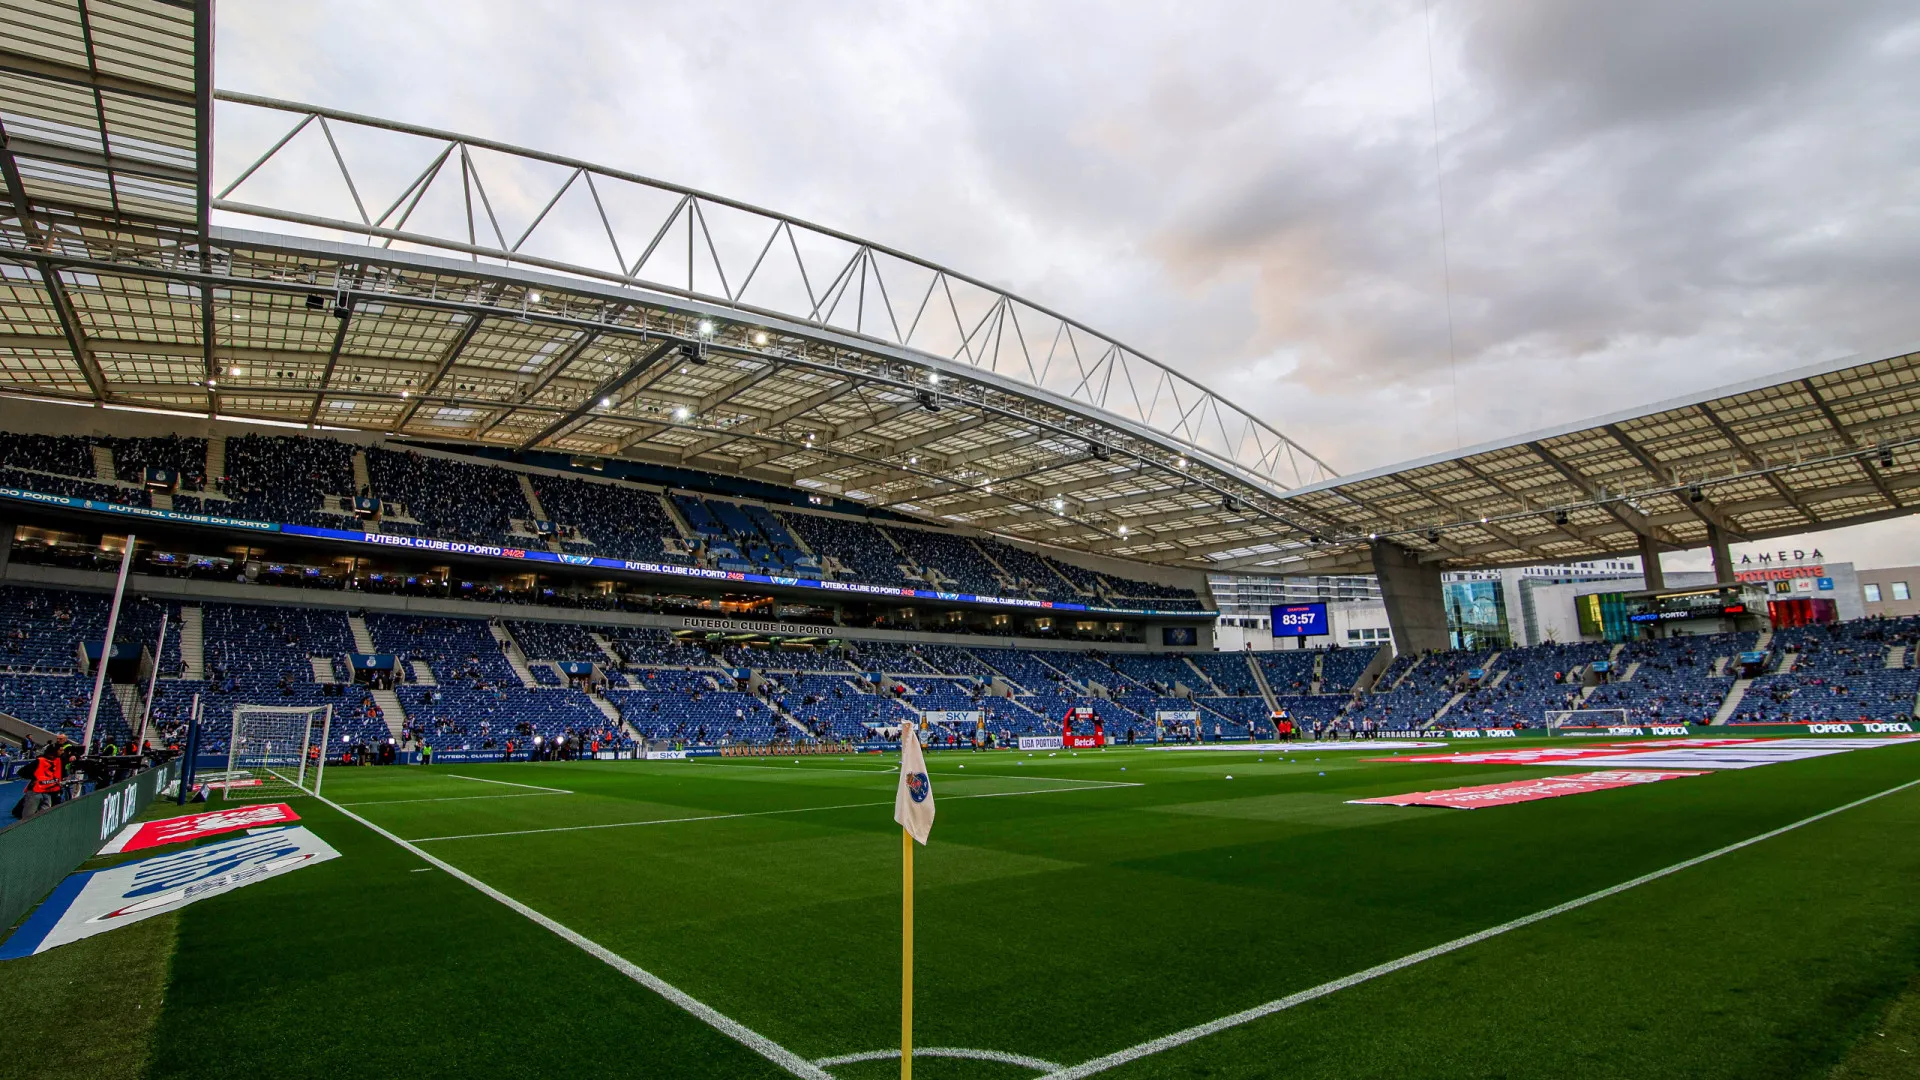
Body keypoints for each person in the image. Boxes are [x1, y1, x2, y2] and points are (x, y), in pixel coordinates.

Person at [20, 744, 63, 820]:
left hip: (48, 792)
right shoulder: (39, 761)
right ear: (54, 751)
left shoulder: (58, 760)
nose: (62, 752)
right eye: (60, 750)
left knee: (43, 817)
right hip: (35, 792)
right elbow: (22, 772)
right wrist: (35, 778)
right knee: (28, 818)